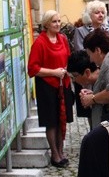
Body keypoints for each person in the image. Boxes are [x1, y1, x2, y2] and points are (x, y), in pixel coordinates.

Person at [27, 10, 74, 168]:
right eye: (54, 21)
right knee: (52, 121)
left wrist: (65, 70)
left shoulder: (62, 39)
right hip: (47, 86)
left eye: (59, 21)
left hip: (63, 84)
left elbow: (68, 58)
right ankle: (55, 154)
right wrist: (54, 72)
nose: (58, 24)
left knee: (62, 119)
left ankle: (61, 151)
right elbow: (33, 69)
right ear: (46, 24)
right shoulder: (40, 42)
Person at [78, 29, 109, 127]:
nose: (91, 59)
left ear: (97, 50)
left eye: (90, 54)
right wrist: (94, 94)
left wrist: (92, 98)